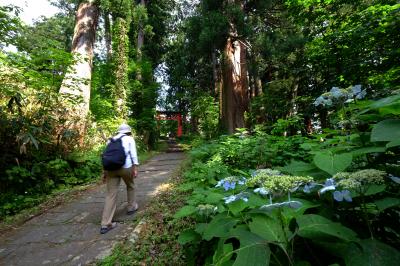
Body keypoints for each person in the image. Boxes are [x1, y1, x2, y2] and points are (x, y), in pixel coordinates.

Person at [100, 124, 139, 234]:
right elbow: (133, 154)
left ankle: (105, 224)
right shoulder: (129, 139)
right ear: (128, 131)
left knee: (110, 194)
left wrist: (105, 172)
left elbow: (106, 156)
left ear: (118, 131)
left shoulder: (110, 140)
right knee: (130, 186)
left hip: (111, 169)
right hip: (126, 168)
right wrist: (135, 168)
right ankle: (131, 207)